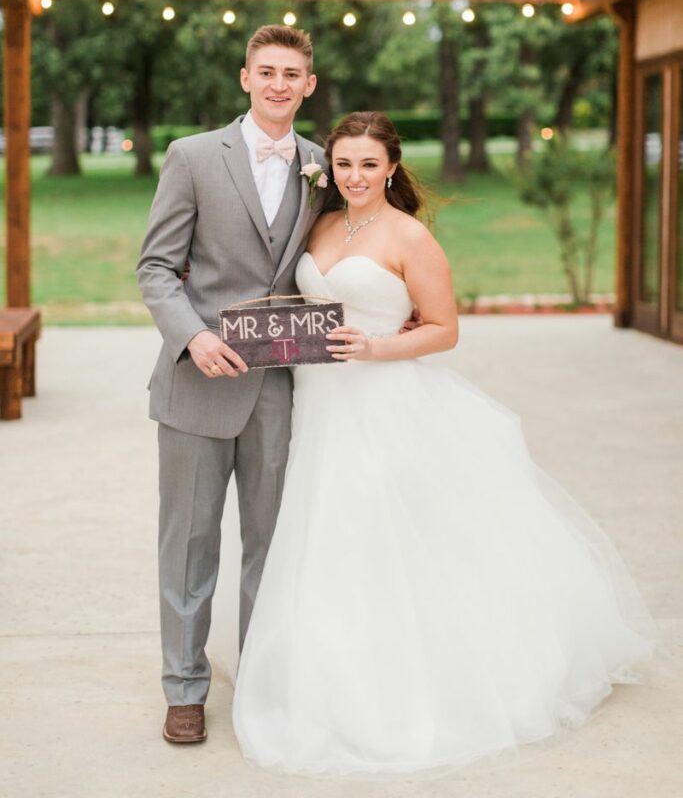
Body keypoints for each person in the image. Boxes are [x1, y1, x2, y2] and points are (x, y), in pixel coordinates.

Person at [231, 110, 657, 776]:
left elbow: (443, 329)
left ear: (391, 168)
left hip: (382, 404)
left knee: (385, 539)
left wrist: (375, 347)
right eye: (343, 164)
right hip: (319, 406)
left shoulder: (408, 237)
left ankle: (408, 686)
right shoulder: (319, 226)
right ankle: (327, 675)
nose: (355, 176)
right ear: (329, 168)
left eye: (369, 164)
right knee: (325, 539)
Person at [136, 25, 325, 744]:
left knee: (270, 546)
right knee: (188, 543)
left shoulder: (321, 165)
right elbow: (156, 267)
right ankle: (184, 689)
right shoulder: (191, 156)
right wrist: (193, 334)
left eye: (292, 74)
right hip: (198, 385)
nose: (279, 84)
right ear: (244, 79)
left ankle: (263, 685)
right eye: (266, 71)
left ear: (308, 86)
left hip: (279, 386)